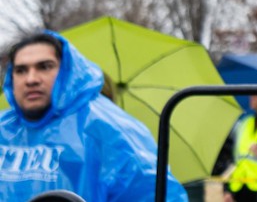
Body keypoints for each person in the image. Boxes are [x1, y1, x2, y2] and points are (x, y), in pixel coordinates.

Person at [1, 31, 188, 202]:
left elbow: (154, 195)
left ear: (66, 70)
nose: (31, 79)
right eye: (21, 70)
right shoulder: (4, 128)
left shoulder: (110, 129)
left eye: (45, 67)